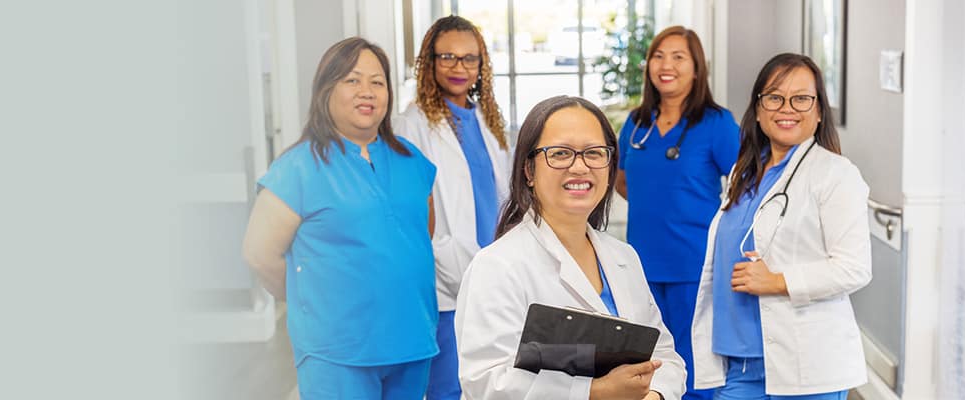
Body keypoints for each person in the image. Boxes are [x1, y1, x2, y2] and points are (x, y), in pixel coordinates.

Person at [241, 37, 439, 399]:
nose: (367, 91)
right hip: (337, 351)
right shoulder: (298, 167)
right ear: (325, 89)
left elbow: (420, 234)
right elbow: (259, 254)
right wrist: (313, 298)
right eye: (352, 80)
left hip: (411, 339)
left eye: (377, 82)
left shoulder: (413, 160)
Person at [457, 95, 684, 400]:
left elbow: (665, 356)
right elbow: (486, 382)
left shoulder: (623, 258)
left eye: (594, 153)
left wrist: (655, 395)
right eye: (561, 153)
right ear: (528, 170)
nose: (580, 167)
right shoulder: (497, 265)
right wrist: (594, 392)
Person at [690, 53, 871, 400]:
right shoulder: (743, 174)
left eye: (801, 98)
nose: (786, 107)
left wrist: (778, 281)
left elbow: (854, 268)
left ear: (819, 112)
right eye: (774, 97)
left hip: (805, 366)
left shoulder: (836, 174)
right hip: (737, 365)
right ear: (758, 110)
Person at [612, 26, 740, 400]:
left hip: (694, 264)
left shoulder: (717, 124)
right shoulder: (637, 124)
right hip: (641, 263)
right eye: (658, 56)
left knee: (693, 364)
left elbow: (744, 186)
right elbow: (621, 181)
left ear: (697, 68)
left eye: (678, 57)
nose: (666, 65)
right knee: (646, 362)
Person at [393, 15, 511, 400]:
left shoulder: (489, 121)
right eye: (447, 57)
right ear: (429, 62)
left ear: (481, 66)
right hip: (445, 279)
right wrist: (443, 258)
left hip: (495, 273)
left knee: (495, 381)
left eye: (469, 58)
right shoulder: (411, 126)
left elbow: (503, 197)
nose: (459, 68)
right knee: (447, 386)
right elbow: (409, 214)